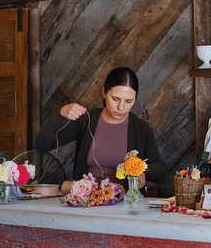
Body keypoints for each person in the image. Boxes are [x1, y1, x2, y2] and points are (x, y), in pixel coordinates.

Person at [35, 67, 167, 188]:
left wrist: (141, 171)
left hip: (124, 203)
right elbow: (42, 144)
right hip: (85, 201)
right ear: (104, 92)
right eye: (115, 99)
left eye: (128, 101)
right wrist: (62, 113)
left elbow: (161, 171)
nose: (121, 107)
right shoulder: (86, 120)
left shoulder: (140, 128)